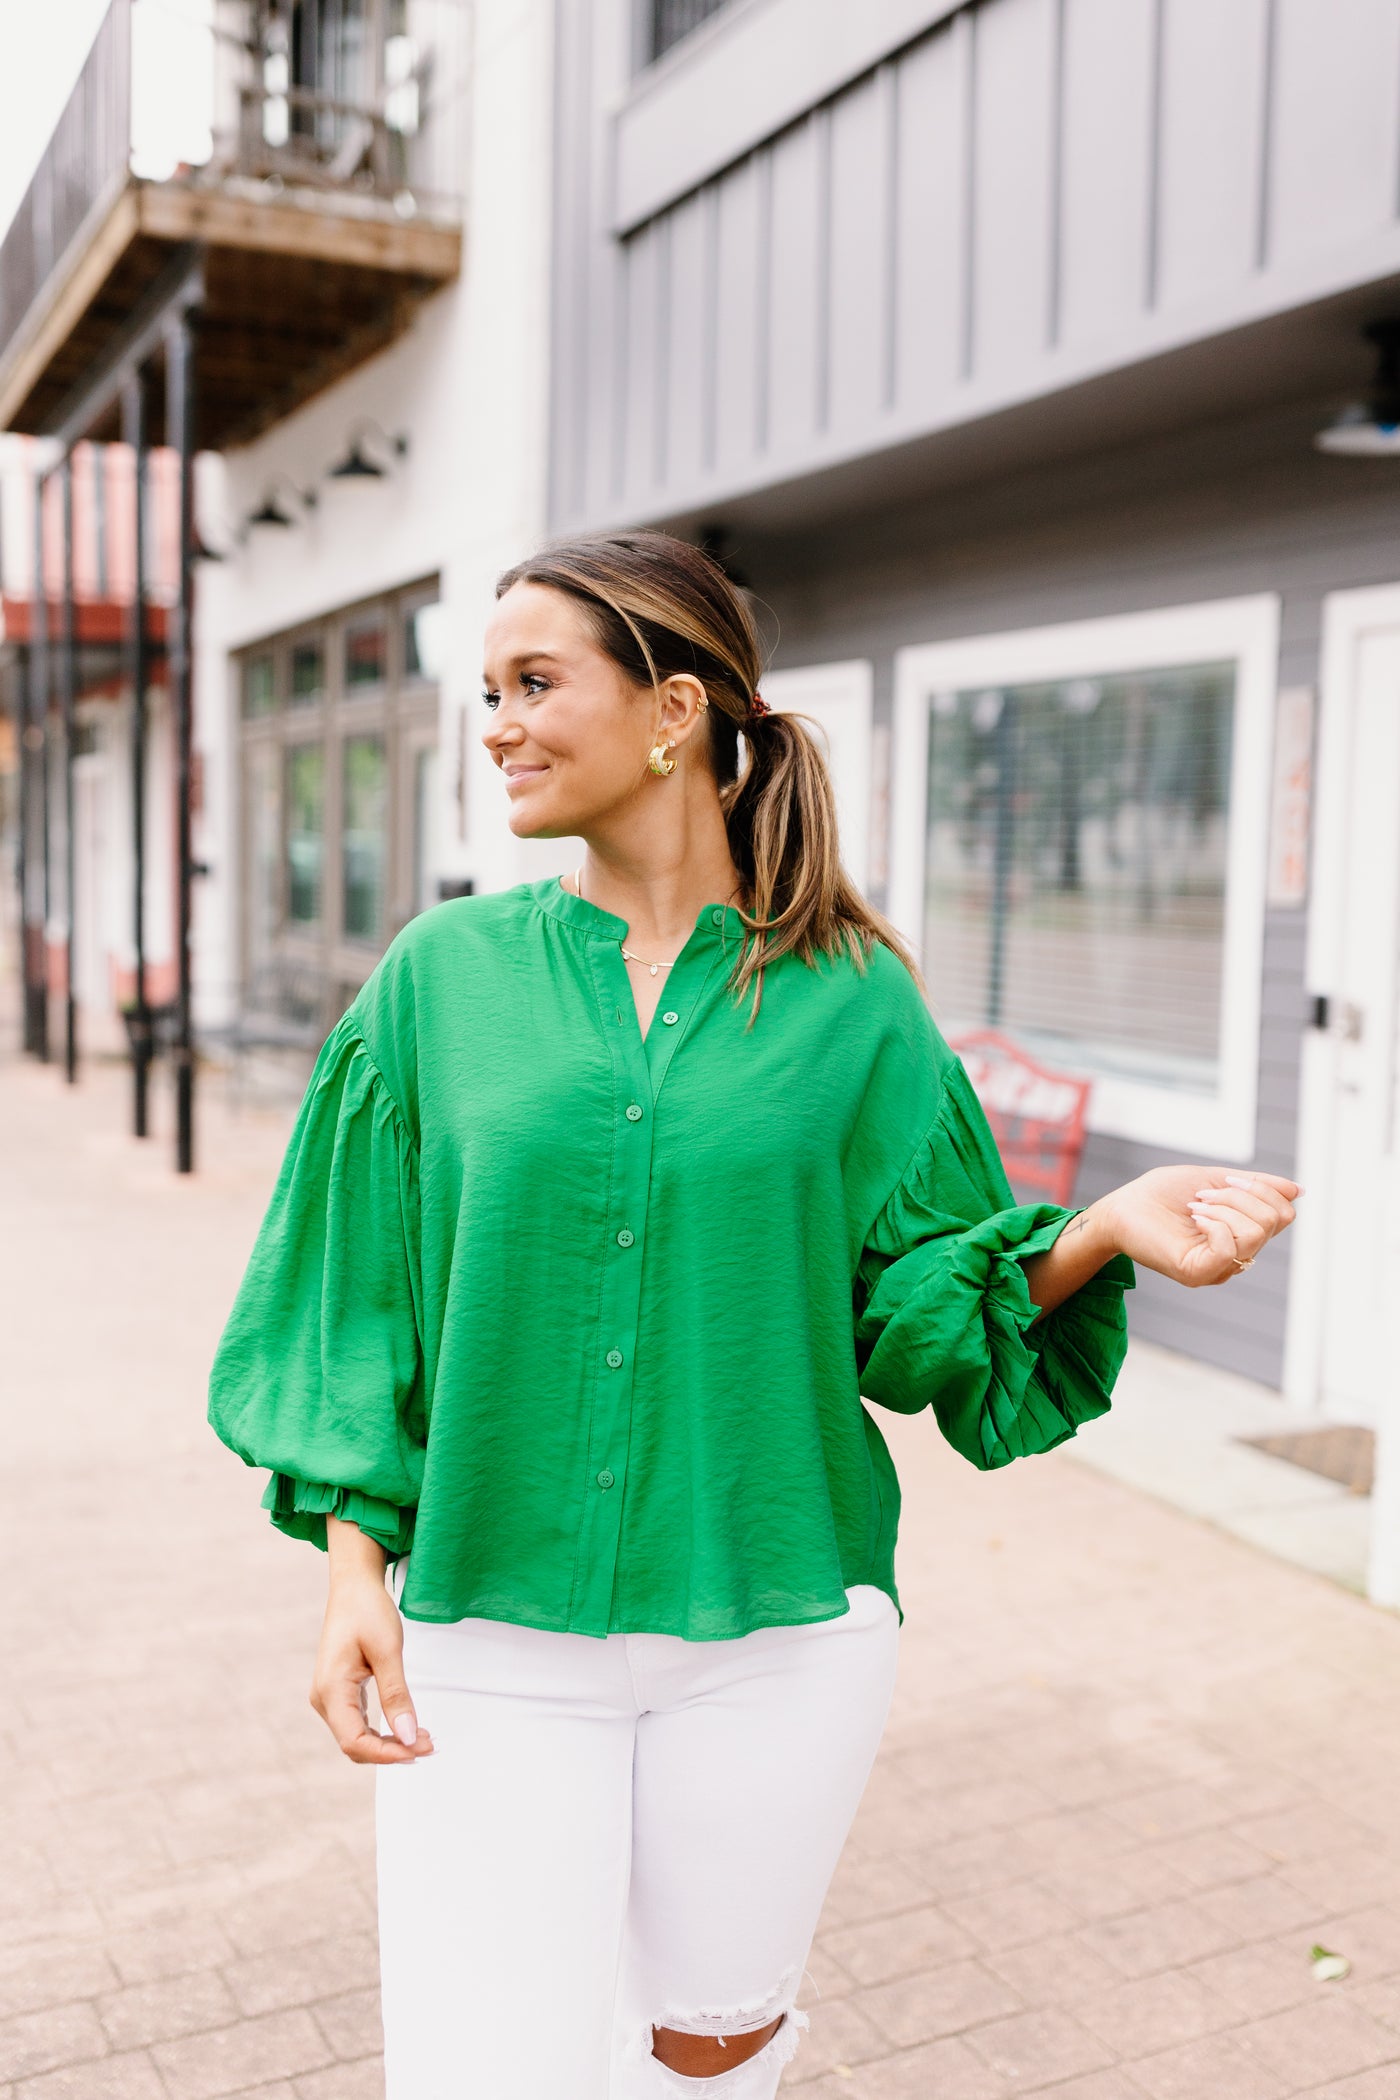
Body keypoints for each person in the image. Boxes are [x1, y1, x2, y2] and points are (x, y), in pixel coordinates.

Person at [208, 533, 1299, 2099]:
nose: (496, 725)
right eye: (488, 692)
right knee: (484, 2066)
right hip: (490, 1629)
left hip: (781, 1635)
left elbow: (912, 1315)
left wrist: (1096, 1234)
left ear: (673, 712)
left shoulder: (856, 998)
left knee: (712, 2050)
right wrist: (350, 1571)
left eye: (533, 684)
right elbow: (353, 1302)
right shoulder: (440, 982)